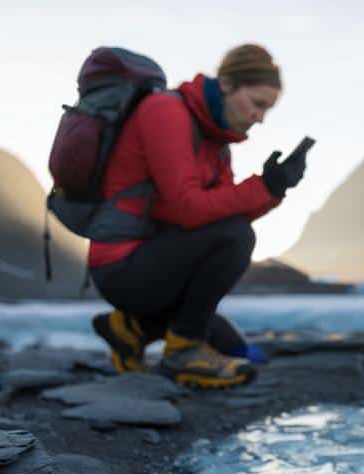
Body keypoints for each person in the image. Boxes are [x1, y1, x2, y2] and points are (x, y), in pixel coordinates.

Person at [88, 43, 307, 388]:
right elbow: (187, 209)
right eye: (258, 104)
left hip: (159, 261)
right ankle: (182, 353)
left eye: (267, 110)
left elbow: (221, 212)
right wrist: (260, 187)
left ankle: (128, 330)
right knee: (235, 237)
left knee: (231, 345)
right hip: (122, 265)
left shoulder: (215, 142)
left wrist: (275, 189)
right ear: (227, 85)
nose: (261, 117)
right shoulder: (166, 112)